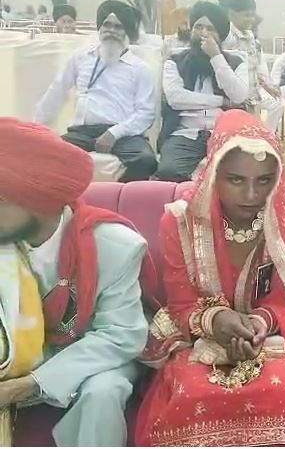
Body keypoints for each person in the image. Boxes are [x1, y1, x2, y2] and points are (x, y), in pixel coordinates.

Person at [135, 109, 285, 446]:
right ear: (213, 173)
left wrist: (259, 323)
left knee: (279, 388)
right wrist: (217, 320)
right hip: (198, 338)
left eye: (264, 181)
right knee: (192, 391)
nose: (251, 195)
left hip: (276, 338)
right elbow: (182, 304)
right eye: (236, 180)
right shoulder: (180, 222)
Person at [0, 117, 154, 446]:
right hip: (20, 356)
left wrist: (26, 385)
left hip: (98, 355)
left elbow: (121, 335)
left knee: (104, 391)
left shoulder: (114, 246)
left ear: (34, 200)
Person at [34, 0, 158, 182]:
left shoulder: (140, 68)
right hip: (82, 132)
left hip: (123, 135)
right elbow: (57, 91)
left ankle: (118, 196)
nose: (111, 31)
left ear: (127, 32)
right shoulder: (81, 57)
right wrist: (36, 127)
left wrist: (113, 134)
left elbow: (145, 114)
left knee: (146, 161)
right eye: (107, 25)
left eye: (118, 27)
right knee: (46, 155)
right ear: (100, 27)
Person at [155, 1, 249, 183]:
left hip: (225, 133)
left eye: (210, 29)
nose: (203, 33)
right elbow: (176, 98)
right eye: (198, 27)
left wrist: (216, 57)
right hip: (185, 133)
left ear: (220, 35)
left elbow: (238, 96)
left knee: (236, 176)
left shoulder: (236, 62)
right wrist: (220, 101)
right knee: (168, 172)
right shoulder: (174, 61)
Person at [221, 0, 284, 134]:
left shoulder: (251, 39)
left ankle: (269, 136)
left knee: (255, 137)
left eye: (252, 15)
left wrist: (266, 85)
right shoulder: (226, 39)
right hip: (232, 101)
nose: (251, 19)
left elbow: (255, 68)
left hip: (252, 97)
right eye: (246, 15)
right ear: (232, 14)